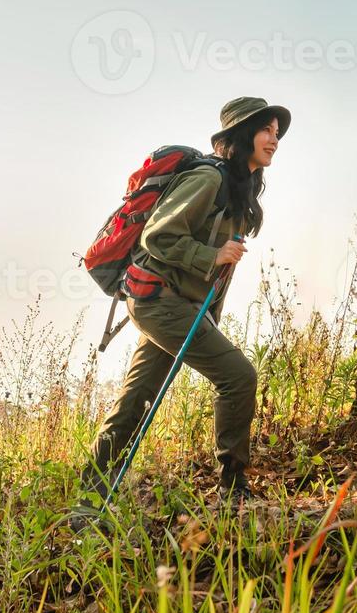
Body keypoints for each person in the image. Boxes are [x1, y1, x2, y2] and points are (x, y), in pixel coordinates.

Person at [78, 96, 289, 517]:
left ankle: (90, 496)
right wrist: (211, 256)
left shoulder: (240, 191)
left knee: (136, 397)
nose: (274, 140)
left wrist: (209, 312)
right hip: (158, 300)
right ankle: (233, 486)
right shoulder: (209, 178)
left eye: (277, 133)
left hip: (178, 303)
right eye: (266, 130)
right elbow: (157, 236)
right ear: (242, 135)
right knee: (239, 377)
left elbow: (220, 267)